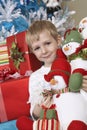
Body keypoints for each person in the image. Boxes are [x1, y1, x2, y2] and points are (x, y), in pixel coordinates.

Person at [16, 20, 87, 130]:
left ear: (58, 41)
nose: (44, 51)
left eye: (47, 43)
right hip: (54, 124)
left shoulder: (73, 64)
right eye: (37, 48)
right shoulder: (36, 77)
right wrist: (41, 104)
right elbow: (34, 114)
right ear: (32, 51)